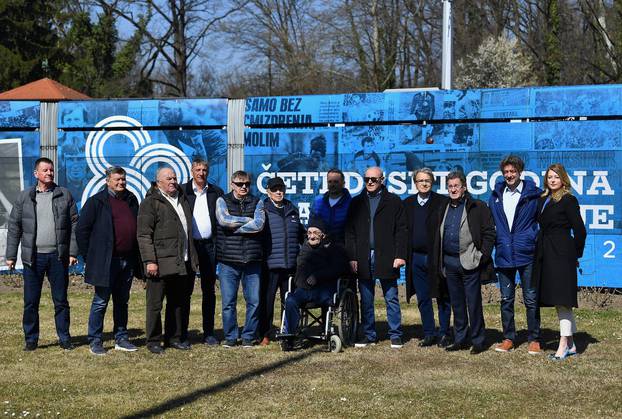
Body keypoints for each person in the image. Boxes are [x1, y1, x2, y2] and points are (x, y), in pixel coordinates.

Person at [5, 157, 79, 351]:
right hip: (33, 258)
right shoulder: (24, 197)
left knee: (61, 301)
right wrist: (11, 255)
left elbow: (74, 225)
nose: (49, 173)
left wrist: (72, 252)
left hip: (58, 257)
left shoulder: (65, 195)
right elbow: (14, 227)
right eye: (45, 170)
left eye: (51, 170)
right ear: (36, 174)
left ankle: (64, 338)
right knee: (30, 302)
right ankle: (31, 339)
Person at [76, 166, 141, 355]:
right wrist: (90, 257)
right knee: (100, 301)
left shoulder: (131, 199)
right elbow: (82, 231)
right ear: (107, 181)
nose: (121, 183)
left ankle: (121, 338)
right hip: (105, 262)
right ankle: (95, 340)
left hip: (127, 261)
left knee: (122, 301)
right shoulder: (96, 202)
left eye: (123, 179)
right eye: (117, 180)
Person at [432, 171, 495, 355]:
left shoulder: (477, 206)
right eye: (450, 186)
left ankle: (478, 341)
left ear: (464, 187)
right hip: (449, 264)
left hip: (469, 263)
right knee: (457, 304)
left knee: (473, 303)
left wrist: (481, 256)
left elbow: (489, 233)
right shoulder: (443, 206)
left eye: (456, 186)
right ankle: (460, 339)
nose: (453, 189)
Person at [137, 167, 199, 354]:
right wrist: (150, 261)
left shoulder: (183, 200)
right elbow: (144, 235)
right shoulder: (150, 203)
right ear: (158, 183)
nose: (173, 181)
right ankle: (154, 340)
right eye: (168, 178)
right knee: (155, 304)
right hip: (159, 263)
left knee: (178, 302)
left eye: (174, 178)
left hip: (182, 261)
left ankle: (174, 337)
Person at [345, 167, 408, 349]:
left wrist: (400, 255)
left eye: (374, 179)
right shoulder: (356, 202)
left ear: (382, 179)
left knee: (391, 297)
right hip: (363, 257)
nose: (370, 182)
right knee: (366, 298)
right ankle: (368, 334)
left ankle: (395, 335)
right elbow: (350, 232)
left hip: (387, 257)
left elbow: (401, 230)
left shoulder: (394, 201)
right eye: (367, 179)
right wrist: (353, 257)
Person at [488, 156, 543, 355]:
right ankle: (509, 337)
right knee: (506, 299)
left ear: (520, 172)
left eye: (513, 171)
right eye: (506, 172)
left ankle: (534, 338)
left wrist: (532, 237)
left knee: (530, 298)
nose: (509, 175)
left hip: (527, 253)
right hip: (503, 253)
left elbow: (541, 222)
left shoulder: (534, 195)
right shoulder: (495, 196)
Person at [534, 163, 586, 360]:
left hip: (562, 253)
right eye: (549, 177)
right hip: (547, 253)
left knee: (563, 300)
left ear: (563, 179)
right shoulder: (544, 200)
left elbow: (580, 231)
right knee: (560, 302)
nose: (552, 180)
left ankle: (562, 345)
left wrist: (575, 254)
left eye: (556, 176)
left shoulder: (569, 200)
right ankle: (571, 344)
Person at [281, 218, 350, 350]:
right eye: (309, 233)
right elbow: (300, 270)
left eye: (315, 233)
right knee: (290, 300)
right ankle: (290, 335)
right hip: (305, 289)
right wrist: (301, 283)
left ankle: (326, 331)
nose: (311, 236)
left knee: (326, 298)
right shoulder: (304, 248)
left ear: (323, 235)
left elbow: (339, 268)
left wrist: (318, 275)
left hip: (325, 289)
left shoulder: (333, 248)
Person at [403, 168, 452, 348]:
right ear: (415, 183)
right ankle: (429, 333)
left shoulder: (442, 202)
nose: (424, 183)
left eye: (427, 180)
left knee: (442, 296)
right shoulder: (407, 203)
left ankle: (445, 333)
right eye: (420, 180)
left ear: (432, 182)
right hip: (416, 258)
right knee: (423, 297)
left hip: (436, 258)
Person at [215, 170, 265, 348]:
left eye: (247, 184)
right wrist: (246, 220)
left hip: (252, 260)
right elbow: (224, 220)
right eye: (239, 184)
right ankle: (230, 336)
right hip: (228, 261)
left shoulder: (257, 201)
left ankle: (248, 336)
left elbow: (259, 224)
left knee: (254, 301)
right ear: (232, 184)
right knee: (228, 302)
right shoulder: (222, 200)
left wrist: (235, 227)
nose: (244, 187)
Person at [181, 158, 224, 346]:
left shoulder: (216, 192)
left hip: (209, 247)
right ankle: (182, 333)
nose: (201, 173)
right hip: (189, 247)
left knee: (209, 291)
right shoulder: (182, 191)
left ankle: (209, 333)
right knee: (185, 290)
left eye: (204, 170)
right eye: (198, 169)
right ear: (192, 171)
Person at [258, 176, 305, 346]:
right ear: (268, 191)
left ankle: (288, 332)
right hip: (270, 266)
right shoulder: (262, 209)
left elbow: (301, 234)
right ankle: (265, 333)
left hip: (290, 266)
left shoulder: (292, 209)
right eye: (275, 189)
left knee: (289, 301)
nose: (279, 192)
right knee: (267, 302)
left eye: (281, 189)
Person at [310, 168, 352, 244]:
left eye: (336, 182)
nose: (332, 185)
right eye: (330, 182)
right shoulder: (318, 202)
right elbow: (311, 226)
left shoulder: (351, 203)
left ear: (343, 183)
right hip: (321, 249)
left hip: (342, 249)